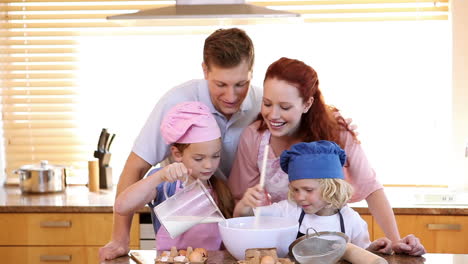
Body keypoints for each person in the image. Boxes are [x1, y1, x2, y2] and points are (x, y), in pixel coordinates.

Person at [228, 57, 425, 255]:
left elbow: (371, 189)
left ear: (307, 104)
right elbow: (243, 208)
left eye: (285, 107)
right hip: (281, 243)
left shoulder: (336, 132)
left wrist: (396, 241)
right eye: (267, 103)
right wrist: (247, 204)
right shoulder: (255, 138)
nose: (273, 115)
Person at [99, 27, 261, 261]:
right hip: (181, 214)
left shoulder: (261, 106)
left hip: (233, 220)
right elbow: (136, 167)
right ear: (205, 70)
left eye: (240, 84)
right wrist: (120, 238)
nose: (232, 96)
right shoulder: (176, 101)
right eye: (221, 85)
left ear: (251, 73)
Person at [234, 140, 397, 254]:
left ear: (331, 188)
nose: (300, 197)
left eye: (308, 190)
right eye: (295, 190)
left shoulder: (351, 220)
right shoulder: (288, 209)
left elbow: (362, 254)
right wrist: (245, 204)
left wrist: (375, 248)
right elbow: (247, 217)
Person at [114, 101, 233, 251]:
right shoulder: (166, 184)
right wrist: (159, 177)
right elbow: (121, 207)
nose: (209, 165)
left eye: (215, 156)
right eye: (199, 158)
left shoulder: (219, 190)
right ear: (177, 154)